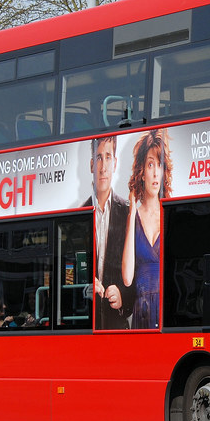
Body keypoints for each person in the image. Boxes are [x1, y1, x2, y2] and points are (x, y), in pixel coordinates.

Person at [122, 129, 173, 330]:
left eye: (159, 165)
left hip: (167, 307)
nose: (154, 173)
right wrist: (131, 211)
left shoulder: (170, 213)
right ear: (142, 171)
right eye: (150, 164)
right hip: (141, 310)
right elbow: (127, 278)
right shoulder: (134, 217)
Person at [83, 136, 133, 329]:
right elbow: (67, 275)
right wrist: (84, 289)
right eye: (98, 158)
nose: (103, 167)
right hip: (87, 327)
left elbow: (139, 272)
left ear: (115, 163)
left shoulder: (128, 212)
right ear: (91, 165)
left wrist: (123, 297)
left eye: (108, 157)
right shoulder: (78, 215)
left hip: (117, 326)